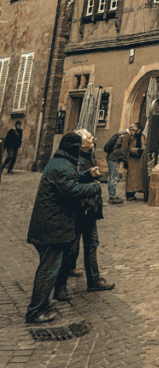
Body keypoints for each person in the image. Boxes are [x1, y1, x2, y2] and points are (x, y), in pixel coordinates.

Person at [25, 132, 101, 323]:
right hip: (52, 227)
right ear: (75, 147)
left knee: (50, 268)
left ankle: (43, 304)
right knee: (48, 270)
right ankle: (35, 310)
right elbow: (71, 189)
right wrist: (94, 187)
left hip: (50, 225)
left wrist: (86, 174)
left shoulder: (60, 162)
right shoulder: (63, 166)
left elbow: (70, 179)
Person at [58, 130, 115, 297]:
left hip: (90, 208)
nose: (92, 139)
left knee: (91, 244)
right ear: (81, 143)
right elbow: (73, 183)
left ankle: (94, 279)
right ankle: (61, 285)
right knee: (71, 247)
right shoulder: (74, 160)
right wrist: (92, 184)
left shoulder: (90, 155)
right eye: (89, 137)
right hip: (79, 208)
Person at [105, 127, 132, 204]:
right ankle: (112, 197)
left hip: (111, 157)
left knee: (112, 177)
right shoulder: (126, 136)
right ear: (133, 130)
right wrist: (125, 161)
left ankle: (112, 195)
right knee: (114, 177)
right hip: (114, 158)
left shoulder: (121, 133)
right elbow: (124, 150)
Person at [125, 124, 144, 201]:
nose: (137, 132)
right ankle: (129, 194)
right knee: (131, 178)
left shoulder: (142, 136)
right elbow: (128, 148)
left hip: (139, 159)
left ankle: (135, 192)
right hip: (132, 159)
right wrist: (137, 150)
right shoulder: (130, 137)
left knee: (137, 178)